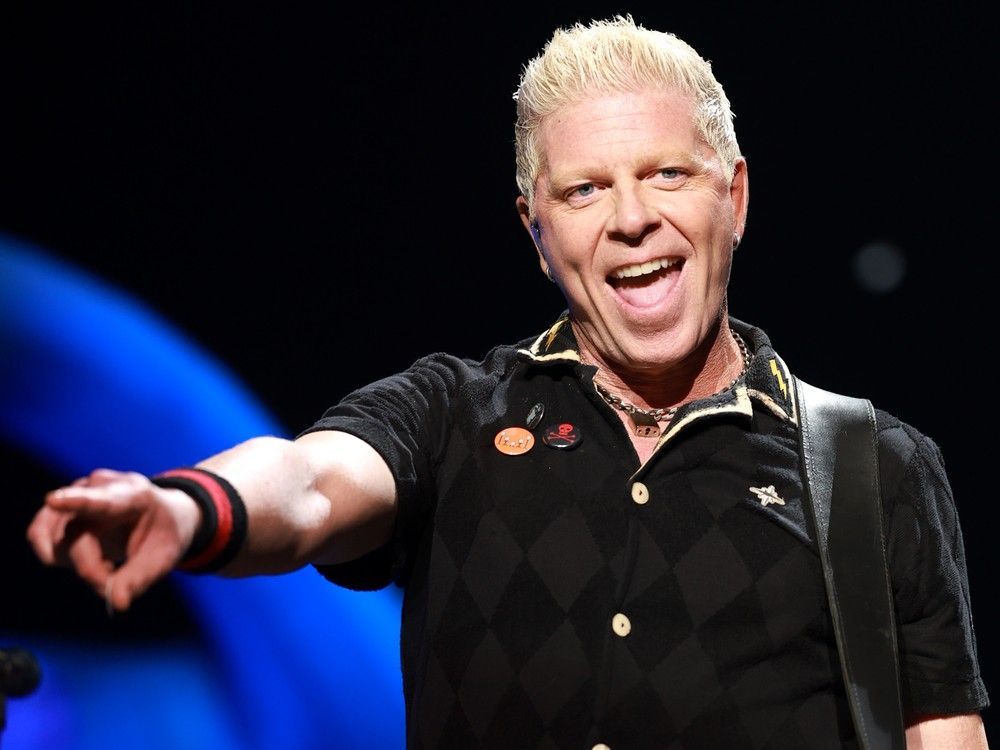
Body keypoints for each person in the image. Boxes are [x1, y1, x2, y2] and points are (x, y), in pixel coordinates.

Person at [27, 15, 989, 749]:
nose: (631, 219)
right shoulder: (454, 415)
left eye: (665, 174)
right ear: (537, 232)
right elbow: (312, 482)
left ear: (732, 197)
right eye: (583, 190)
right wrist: (191, 509)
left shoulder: (876, 466)